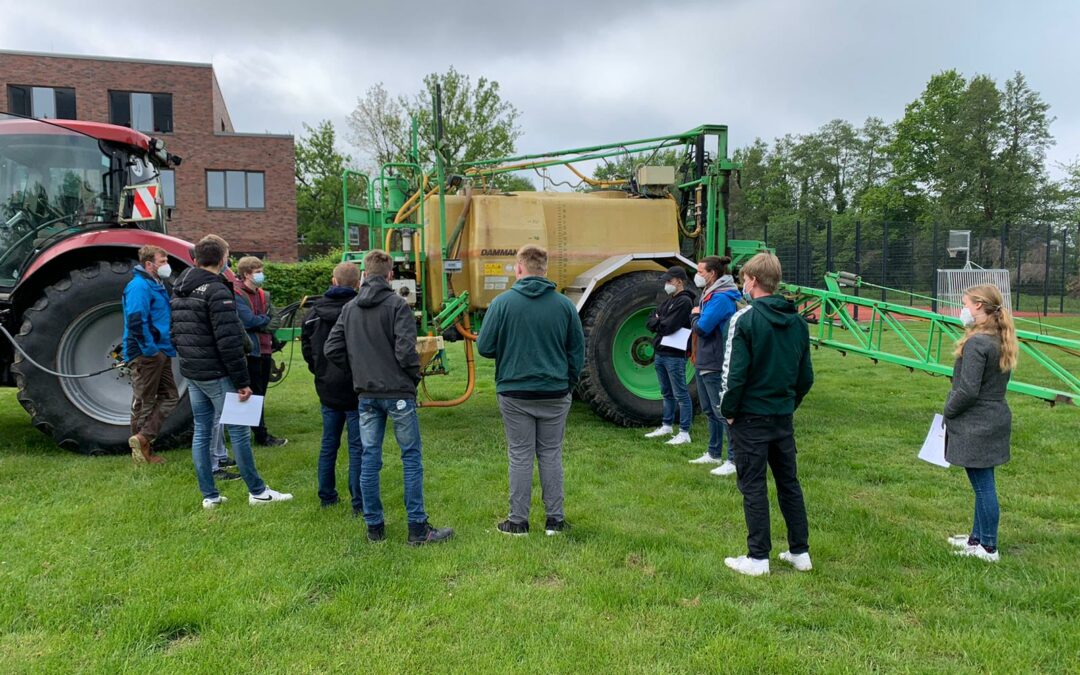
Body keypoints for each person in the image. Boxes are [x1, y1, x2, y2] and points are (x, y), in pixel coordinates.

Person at [324, 249, 453, 545]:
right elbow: (406, 353)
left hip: (367, 394)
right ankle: (417, 528)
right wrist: (413, 377)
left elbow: (332, 349)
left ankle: (374, 528)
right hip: (397, 393)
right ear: (391, 275)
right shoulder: (398, 306)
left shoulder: (351, 308)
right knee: (410, 458)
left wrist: (358, 370)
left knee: (370, 459)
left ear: (365, 275)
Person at [171, 235, 292, 509]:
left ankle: (210, 496)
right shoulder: (217, 292)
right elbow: (229, 341)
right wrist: (242, 381)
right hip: (217, 372)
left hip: (193, 372)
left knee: (202, 431)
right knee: (239, 431)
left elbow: (175, 333)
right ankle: (258, 492)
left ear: (196, 258)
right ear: (223, 258)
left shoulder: (179, 288)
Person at [478, 244, 585, 536]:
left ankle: (517, 522)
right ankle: (555, 521)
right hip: (555, 391)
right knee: (551, 454)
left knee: (521, 455)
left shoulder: (502, 303)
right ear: (545, 270)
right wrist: (568, 384)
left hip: (515, 391)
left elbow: (485, 347)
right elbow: (577, 352)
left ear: (519, 268)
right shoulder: (564, 305)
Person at [719, 252, 813, 576]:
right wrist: (788, 403)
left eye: (744, 279)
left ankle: (758, 558)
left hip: (750, 417)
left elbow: (734, 374)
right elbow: (806, 378)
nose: (743, 284)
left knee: (753, 485)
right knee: (789, 483)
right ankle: (800, 552)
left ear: (753, 281)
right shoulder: (799, 322)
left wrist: (727, 412)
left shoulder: (744, 320)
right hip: (782, 416)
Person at [943, 284, 1017, 563]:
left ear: (981, 307)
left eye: (967, 305)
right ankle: (976, 539)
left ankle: (988, 547)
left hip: (977, 423)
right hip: (995, 417)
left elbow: (968, 390)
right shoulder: (999, 338)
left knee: (984, 486)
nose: (964, 310)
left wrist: (948, 410)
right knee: (983, 483)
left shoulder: (977, 343)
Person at [301, 261, 364, 514]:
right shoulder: (360, 310)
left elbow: (307, 349)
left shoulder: (313, 313)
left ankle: (327, 495)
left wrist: (318, 370)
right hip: (356, 386)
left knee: (329, 444)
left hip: (326, 385)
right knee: (358, 447)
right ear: (358, 283)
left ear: (333, 280)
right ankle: (358, 501)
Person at [122, 245, 179, 464]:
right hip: (148, 353)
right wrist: (150, 350)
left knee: (170, 396)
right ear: (149, 264)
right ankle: (141, 454)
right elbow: (136, 321)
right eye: (162, 261)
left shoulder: (156, 284)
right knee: (144, 402)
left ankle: (143, 438)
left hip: (161, 350)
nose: (166, 266)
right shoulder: (139, 286)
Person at [687, 256, 742, 476]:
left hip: (714, 361)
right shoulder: (709, 294)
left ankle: (734, 459)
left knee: (722, 411)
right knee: (709, 410)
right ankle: (713, 452)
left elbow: (703, 327)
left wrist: (694, 316)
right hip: (703, 359)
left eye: (701, 272)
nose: (698, 276)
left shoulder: (721, 298)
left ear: (713, 274)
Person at [233, 256, 287, 447]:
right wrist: (264, 322)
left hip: (265, 350)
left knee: (260, 394)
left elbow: (276, 319)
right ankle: (259, 435)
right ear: (246, 274)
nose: (260, 275)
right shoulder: (237, 293)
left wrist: (261, 323)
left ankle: (256, 433)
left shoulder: (264, 294)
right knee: (252, 395)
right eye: (257, 271)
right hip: (250, 351)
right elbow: (247, 321)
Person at [643, 266, 696, 445]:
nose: (666, 284)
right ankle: (667, 425)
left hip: (674, 354)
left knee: (680, 393)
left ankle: (684, 431)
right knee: (666, 392)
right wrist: (658, 320)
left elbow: (668, 326)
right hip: (661, 352)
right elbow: (650, 321)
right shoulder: (669, 300)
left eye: (669, 281)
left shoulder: (685, 302)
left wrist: (659, 320)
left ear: (679, 281)